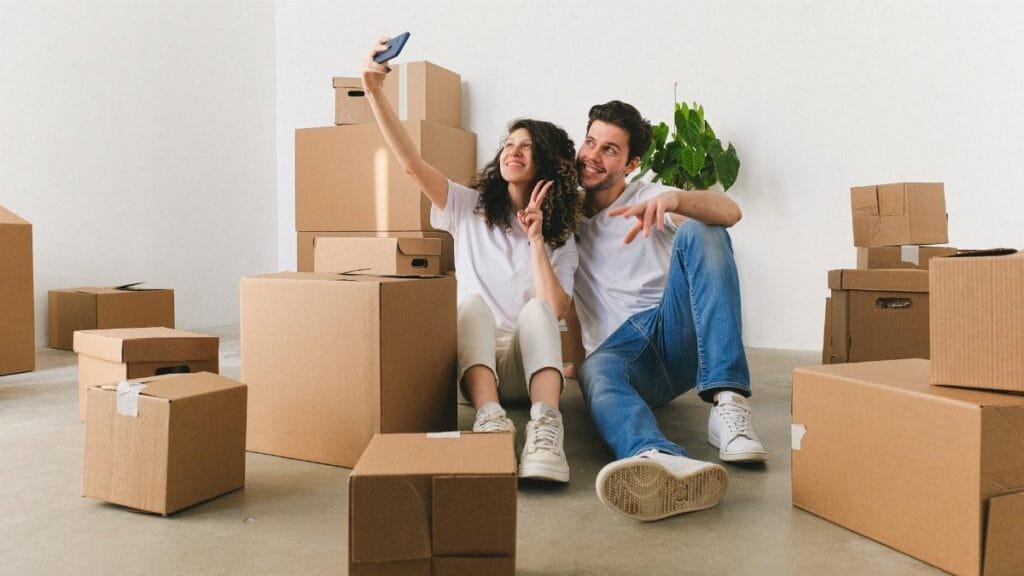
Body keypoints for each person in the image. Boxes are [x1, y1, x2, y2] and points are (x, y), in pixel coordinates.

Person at [362, 38, 582, 483]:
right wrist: (373, 91)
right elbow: (410, 163)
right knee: (472, 305)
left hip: (528, 367)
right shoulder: (467, 207)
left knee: (537, 309)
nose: (512, 151)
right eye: (508, 143)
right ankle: (491, 420)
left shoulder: (559, 237)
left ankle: (545, 430)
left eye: (526, 146)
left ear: (547, 164)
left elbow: (555, 311)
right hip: (475, 366)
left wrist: (536, 240)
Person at [572, 100, 767, 520]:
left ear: (631, 163)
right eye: (590, 142)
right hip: (620, 357)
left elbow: (730, 213)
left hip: (668, 329)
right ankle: (659, 459)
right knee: (594, 371)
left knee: (703, 230)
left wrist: (677, 199)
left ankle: (728, 403)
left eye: (609, 150)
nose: (593, 155)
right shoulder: (562, 215)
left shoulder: (649, 197)